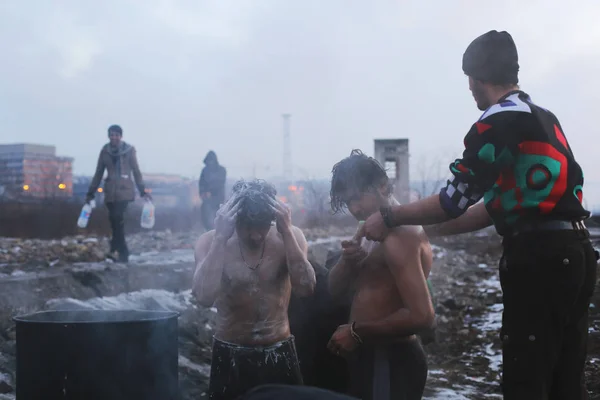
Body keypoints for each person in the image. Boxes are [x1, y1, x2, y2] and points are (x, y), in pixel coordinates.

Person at [361, 30, 598, 400]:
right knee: (566, 380)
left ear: (475, 78)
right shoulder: (543, 118)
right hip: (577, 254)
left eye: (468, 81)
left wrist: (391, 216)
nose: (469, 89)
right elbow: (491, 208)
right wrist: (425, 231)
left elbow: (452, 201)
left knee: (527, 381)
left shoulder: (495, 123)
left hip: (539, 259)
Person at [192, 179, 316, 400]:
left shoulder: (290, 236)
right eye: (247, 227)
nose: (256, 235)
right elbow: (203, 297)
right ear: (233, 220)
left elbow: (306, 288)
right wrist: (220, 238)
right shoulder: (209, 241)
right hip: (230, 354)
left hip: (279, 351)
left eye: (262, 226)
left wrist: (286, 231)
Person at [326, 150, 435, 400]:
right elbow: (333, 292)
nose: (353, 209)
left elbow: (423, 317)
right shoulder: (369, 228)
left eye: (357, 198)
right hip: (369, 357)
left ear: (383, 187)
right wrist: (346, 263)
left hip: (391, 359)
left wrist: (357, 331)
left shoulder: (401, 235)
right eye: (347, 202)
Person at [86, 124, 150, 263]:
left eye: (116, 135)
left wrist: (142, 189)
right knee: (114, 222)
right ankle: (116, 248)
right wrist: (91, 192)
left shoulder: (129, 151)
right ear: (108, 136)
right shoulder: (105, 151)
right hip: (110, 192)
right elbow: (98, 173)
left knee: (117, 218)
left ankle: (122, 253)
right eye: (111, 135)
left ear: (121, 136)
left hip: (124, 191)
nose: (114, 137)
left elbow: (136, 171)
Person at [199, 150, 227, 231]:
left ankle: (218, 229)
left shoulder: (222, 170)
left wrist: (210, 190)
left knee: (218, 214)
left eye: (211, 161)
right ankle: (208, 229)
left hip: (218, 197)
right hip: (207, 198)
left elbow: (221, 182)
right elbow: (201, 183)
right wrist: (203, 193)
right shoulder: (205, 170)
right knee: (206, 214)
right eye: (209, 161)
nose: (210, 163)